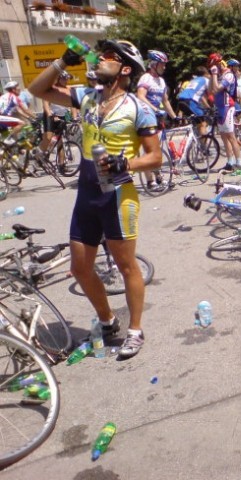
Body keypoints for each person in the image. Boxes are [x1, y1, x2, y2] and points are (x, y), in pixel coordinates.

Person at [28, 39, 162, 360]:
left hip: (117, 194)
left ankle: (135, 330)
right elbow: (37, 89)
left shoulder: (139, 109)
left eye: (109, 57)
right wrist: (63, 61)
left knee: (126, 266)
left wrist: (126, 163)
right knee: (80, 267)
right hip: (87, 192)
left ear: (125, 68)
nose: (99, 59)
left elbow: (155, 157)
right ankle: (108, 320)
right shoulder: (86, 96)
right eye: (100, 55)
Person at [137, 50, 177, 190]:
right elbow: (140, 96)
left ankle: (159, 178)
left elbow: (165, 101)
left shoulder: (161, 81)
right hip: (146, 118)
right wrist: (154, 109)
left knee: (157, 150)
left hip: (158, 118)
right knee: (149, 150)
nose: (164, 67)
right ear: (154, 64)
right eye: (162, 64)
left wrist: (174, 116)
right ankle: (150, 181)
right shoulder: (146, 78)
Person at [35, 71, 78, 173]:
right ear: (58, 79)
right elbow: (45, 105)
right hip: (50, 116)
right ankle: (37, 157)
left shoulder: (69, 90)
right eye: (64, 78)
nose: (66, 80)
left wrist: (75, 117)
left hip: (61, 116)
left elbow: (73, 105)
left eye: (67, 78)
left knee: (60, 141)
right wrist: (51, 115)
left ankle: (62, 165)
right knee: (48, 138)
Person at [208, 52, 241, 171]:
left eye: (216, 65)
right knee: (223, 136)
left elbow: (218, 88)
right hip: (219, 107)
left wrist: (214, 74)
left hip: (227, 106)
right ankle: (230, 161)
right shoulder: (217, 75)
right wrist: (211, 76)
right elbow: (211, 90)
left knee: (231, 136)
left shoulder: (228, 75)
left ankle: (238, 162)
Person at [176, 66, 212, 137]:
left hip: (181, 101)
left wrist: (208, 107)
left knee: (196, 121)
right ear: (205, 73)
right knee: (203, 123)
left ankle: (194, 139)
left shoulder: (193, 80)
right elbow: (212, 92)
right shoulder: (205, 80)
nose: (209, 75)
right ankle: (203, 147)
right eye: (208, 73)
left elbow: (201, 97)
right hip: (190, 101)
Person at [0, 81, 36, 145]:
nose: (20, 89)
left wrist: (29, 118)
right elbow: (26, 110)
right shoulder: (14, 97)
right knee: (21, 123)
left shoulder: (6, 96)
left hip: (3, 118)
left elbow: (19, 110)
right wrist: (37, 117)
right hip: (2, 118)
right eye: (18, 88)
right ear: (13, 89)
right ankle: (8, 139)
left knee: (7, 139)